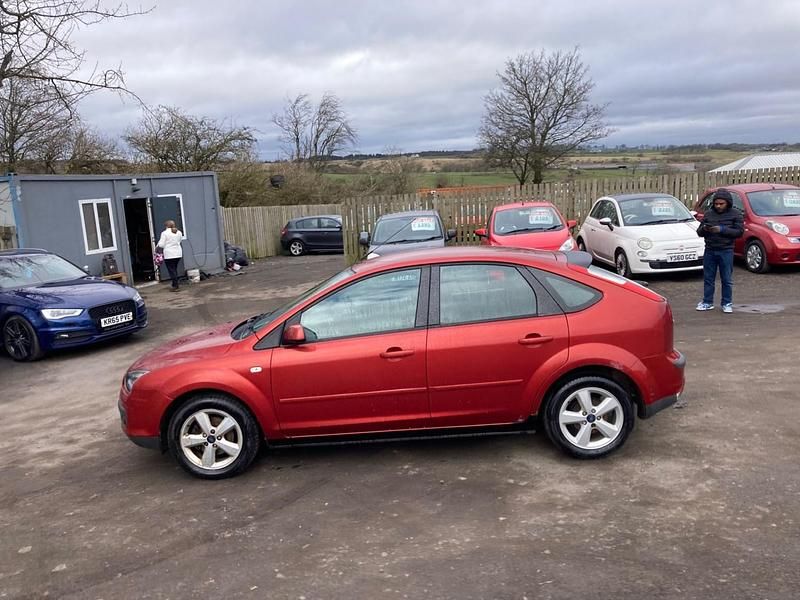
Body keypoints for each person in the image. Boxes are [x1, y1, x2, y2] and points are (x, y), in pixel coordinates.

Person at [696, 189, 744, 313]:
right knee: (708, 278)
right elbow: (699, 232)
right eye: (716, 204)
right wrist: (705, 229)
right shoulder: (709, 214)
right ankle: (707, 302)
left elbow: (739, 232)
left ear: (727, 203)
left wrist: (722, 229)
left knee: (726, 279)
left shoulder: (736, 214)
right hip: (710, 250)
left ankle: (727, 303)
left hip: (726, 250)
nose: (718, 206)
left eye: (721, 204)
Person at [156, 220, 184, 291]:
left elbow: (161, 245)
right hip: (178, 253)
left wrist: (157, 246)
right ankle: (175, 284)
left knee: (171, 270)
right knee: (174, 269)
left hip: (169, 254)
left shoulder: (164, 233)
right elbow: (180, 241)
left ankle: (175, 286)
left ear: (166, 226)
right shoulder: (179, 232)